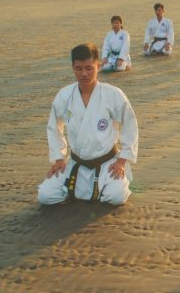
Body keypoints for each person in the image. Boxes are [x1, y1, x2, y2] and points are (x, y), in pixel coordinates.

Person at [37, 43, 139, 205]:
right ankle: (78, 188)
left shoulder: (112, 94)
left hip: (107, 163)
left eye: (89, 68)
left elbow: (130, 125)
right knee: (45, 195)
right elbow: (54, 127)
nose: (84, 73)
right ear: (73, 68)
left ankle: (110, 185)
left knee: (116, 197)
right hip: (76, 163)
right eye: (79, 68)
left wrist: (122, 160)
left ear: (98, 66)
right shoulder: (64, 95)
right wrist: (58, 158)